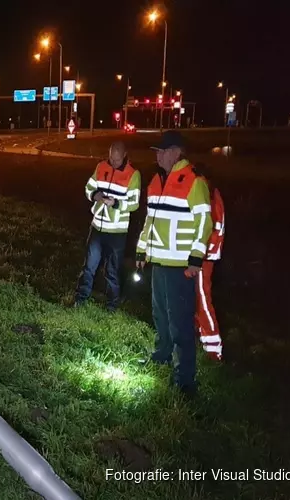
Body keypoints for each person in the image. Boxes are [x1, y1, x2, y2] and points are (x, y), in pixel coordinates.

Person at [136, 131, 213, 396]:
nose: (157, 155)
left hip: (181, 266)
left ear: (175, 152)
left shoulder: (193, 181)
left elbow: (205, 222)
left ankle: (185, 380)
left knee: (179, 321)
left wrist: (195, 260)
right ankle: (162, 355)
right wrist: (141, 251)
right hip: (159, 261)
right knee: (160, 314)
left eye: (161, 150)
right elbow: (150, 221)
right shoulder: (156, 181)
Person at [75, 141, 141, 311]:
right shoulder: (101, 167)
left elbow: (134, 203)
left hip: (117, 232)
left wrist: (116, 203)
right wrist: (95, 195)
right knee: (89, 266)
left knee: (112, 270)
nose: (113, 162)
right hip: (97, 227)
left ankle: (112, 305)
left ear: (124, 155)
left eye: (117, 160)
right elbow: (88, 187)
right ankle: (80, 299)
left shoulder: (133, 175)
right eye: (111, 158)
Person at [196, 178, 225, 361]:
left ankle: (213, 349)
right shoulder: (213, 195)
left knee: (202, 300)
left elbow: (210, 228)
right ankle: (201, 338)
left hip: (203, 257)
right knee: (196, 299)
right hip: (204, 255)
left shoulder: (210, 197)